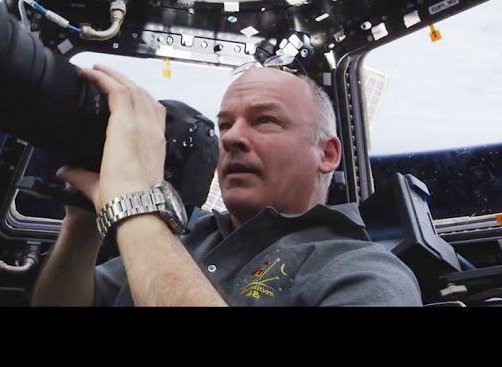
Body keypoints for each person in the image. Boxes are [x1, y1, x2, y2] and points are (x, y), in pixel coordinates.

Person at [31, 64, 422, 306]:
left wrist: (135, 206)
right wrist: (82, 224)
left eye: (265, 120)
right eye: (224, 125)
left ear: (328, 154)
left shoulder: (365, 273)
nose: (232, 138)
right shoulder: (182, 240)